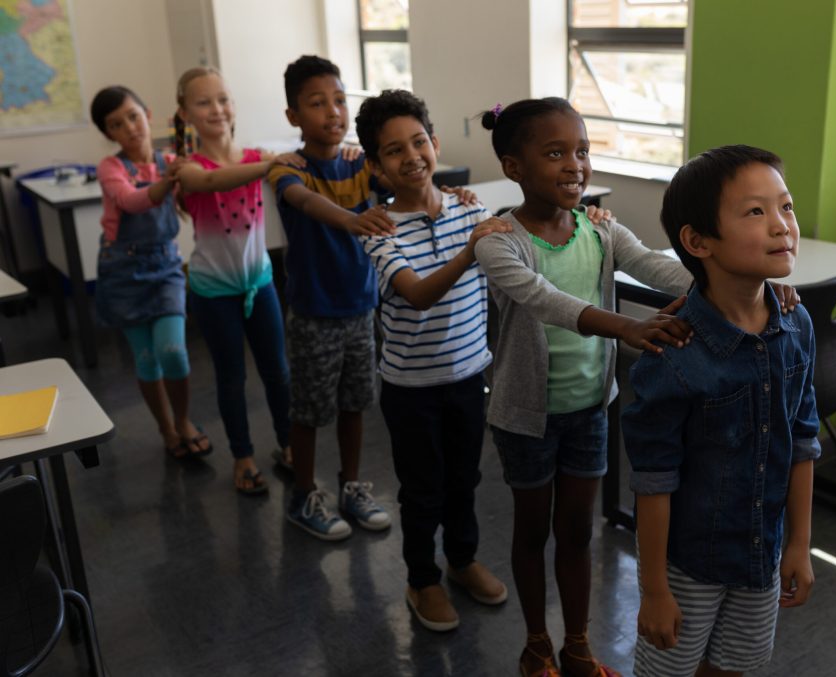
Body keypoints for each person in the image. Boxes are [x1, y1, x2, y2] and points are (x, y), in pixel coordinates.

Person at [473, 96, 706, 677]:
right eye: (555, 153)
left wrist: (729, 277)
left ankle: (576, 645)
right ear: (514, 167)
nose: (574, 163)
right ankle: (536, 644)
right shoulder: (497, 241)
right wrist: (629, 326)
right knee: (533, 532)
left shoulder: (601, 231)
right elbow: (546, 302)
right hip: (525, 417)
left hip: (589, 411)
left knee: (575, 533)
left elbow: (659, 267)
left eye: (581, 150)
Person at [623, 145, 820, 677]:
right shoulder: (674, 355)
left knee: (734, 669)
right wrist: (655, 590)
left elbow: (803, 440)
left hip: (760, 557)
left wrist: (799, 545)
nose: (782, 226)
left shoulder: (795, 326)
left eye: (787, 207)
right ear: (697, 241)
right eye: (756, 212)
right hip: (689, 565)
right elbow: (654, 481)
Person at [354, 89, 511, 632]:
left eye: (419, 141)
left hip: (470, 376)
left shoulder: (472, 208)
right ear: (376, 167)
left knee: (464, 479)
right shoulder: (378, 230)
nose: (412, 156)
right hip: (412, 388)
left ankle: (462, 561)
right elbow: (417, 294)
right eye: (393, 151)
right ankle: (423, 579)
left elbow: (514, 262)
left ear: (436, 143)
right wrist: (471, 249)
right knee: (422, 490)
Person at [266, 55, 396, 540]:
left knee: (354, 403)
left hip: (361, 308)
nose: (333, 111)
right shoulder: (287, 167)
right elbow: (305, 202)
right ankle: (303, 494)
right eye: (317, 103)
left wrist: (452, 195)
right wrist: (350, 219)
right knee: (310, 409)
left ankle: (351, 486)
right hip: (314, 313)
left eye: (340, 100)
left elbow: (400, 180)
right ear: (293, 116)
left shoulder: (362, 164)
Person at [174, 66, 303, 495]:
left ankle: (289, 447)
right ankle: (243, 456)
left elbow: (298, 172)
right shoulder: (188, 168)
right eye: (203, 102)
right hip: (213, 293)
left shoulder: (257, 156)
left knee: (278, 374)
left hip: (261, 284)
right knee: (231, 379)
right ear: (185, 113)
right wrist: (269, 164)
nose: (217, 108)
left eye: (223, 99)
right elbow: (212, 181)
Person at [90, 86, 211, 461]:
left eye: (132, 116)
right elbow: (130, 200)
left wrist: (190, 178)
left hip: (166, 267)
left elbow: (199, 194)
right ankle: (166, 429)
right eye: (116, 124)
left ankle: (185, 419)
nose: (129, 127)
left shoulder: (172, 160)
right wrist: (169, 181)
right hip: (122, 270)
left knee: (173, 351)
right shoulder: (111, 168)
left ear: (148, 113)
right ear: (109, 133)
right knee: (146, 360)